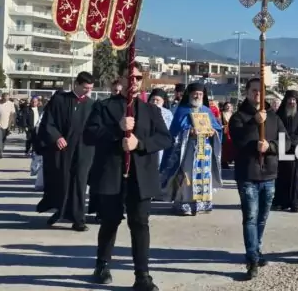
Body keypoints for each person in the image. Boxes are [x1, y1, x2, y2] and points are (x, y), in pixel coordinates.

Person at [85, 61, 171, 290]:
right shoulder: (104, 107)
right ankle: (102, 265)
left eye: (138, 78)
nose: (133, 82)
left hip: (140, 177)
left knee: (140, 223)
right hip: (112, 174)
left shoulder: (151, 111)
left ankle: (142, 275)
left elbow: (164, 138)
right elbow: (90, 134)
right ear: (121, 80)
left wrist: (139, 143)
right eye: (129, 77)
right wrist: (117, 130)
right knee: (110, 221)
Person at [229, 78, 287, 280]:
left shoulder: (274, 117)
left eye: (260, 91)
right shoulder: (238, 117)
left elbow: (286, 142)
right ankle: (252, 258)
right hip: (248, 175)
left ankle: (256, 248)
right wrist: (254, 122)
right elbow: (238, 141)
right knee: (251, 218)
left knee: (262, 217)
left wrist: (270, 147)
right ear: (247, 92)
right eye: (253, 90)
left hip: (269, 174)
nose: (257, 94)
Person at [36, 72, 96, 231]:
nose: (88, 91)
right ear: (77, 84)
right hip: (62, 150)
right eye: (85, 87)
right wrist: (56, 136)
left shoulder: (92, 105)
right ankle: (60, 212)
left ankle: (79, 219)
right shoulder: (59, 100)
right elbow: (48, 122)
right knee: (62, 182)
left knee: (79, 183)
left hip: (84, 150)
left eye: (90, 88)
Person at [161, 83, 222, 216]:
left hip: (205, 149)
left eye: (200, 94)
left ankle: (203, 203)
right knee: (187, 176)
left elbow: (217, 128)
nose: (197, 96)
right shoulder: (182, 110)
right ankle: (185, 204)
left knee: (204, 175)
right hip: (188, 150)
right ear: (189, 94)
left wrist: (213, 131)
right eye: (195, 94)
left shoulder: (207, 110)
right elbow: (175, 131)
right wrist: (189, 132)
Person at [272, 90, 298, 212]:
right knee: (282, 177)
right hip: (283, 149)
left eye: (294, 100)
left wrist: (292, 142)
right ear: (286, 100)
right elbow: (276, 130)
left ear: (297, 101)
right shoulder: (280, 115)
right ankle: (280, 202)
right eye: (290, 99)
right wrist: (285, 143)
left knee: (295, 178)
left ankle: (294, 203)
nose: (292, 102)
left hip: (296, 150)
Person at [147, 88, 172, 168]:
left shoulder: (167, 113)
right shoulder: (144, 110)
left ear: (163, 101)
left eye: (157, 100)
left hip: (161, 143)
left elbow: (169, 128)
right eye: (153, 100)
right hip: (147, 141)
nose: (154, 102)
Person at [0, 92, 16, 158]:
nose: (5, 100)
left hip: (6, 124)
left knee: (3, 139)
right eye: (4, 98)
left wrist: (12, 123)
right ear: (2, 97)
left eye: (7, 98)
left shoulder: (11, 104)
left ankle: (1, 150)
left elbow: (12, 114)